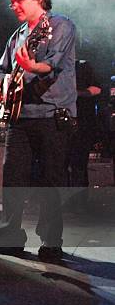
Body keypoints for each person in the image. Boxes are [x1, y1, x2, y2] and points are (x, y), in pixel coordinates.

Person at [0, 0, 77, 260]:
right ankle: (10, 237)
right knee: (13, 178)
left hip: (52, 113)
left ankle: (51, 242)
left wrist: (33, 65)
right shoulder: (17, 35)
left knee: (51, 179)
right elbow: (0, 68)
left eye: (19, 0)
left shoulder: (60, 26)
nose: (14, 6)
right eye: (11, 2)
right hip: (20, 116)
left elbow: (54, 63)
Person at [68, 59, 101, 211]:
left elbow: (97, 89)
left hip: (82, 122)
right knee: (58, 164)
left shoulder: (83, 65)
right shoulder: (53, 65)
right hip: (60, 123)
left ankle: (79, 203)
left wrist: (76, 93)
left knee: (78, 164)